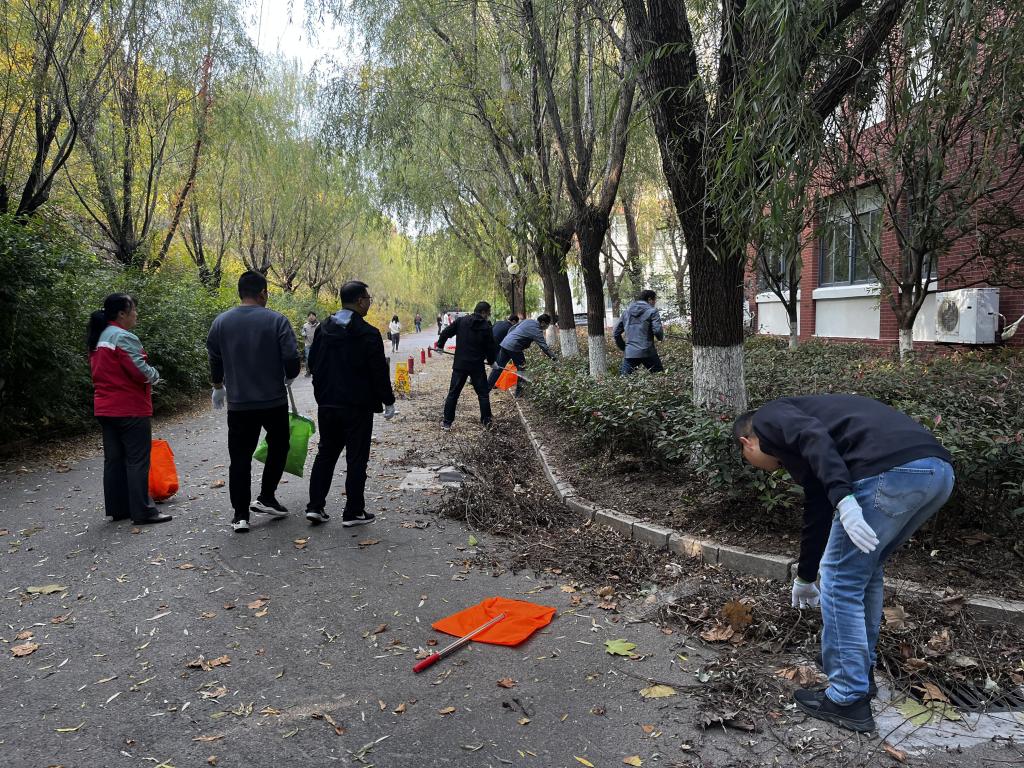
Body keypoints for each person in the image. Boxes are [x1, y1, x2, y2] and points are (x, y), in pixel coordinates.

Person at [734, 394, 955, 734]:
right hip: (936, 473)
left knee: (840, 580)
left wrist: (845, 499)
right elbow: (818, 509)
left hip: (889, 472)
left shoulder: (768, 416)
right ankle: (859, 673)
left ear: (747, 442)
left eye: (750, 459)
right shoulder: (815, 448)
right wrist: (806, 576)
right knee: (865, 572)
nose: (765, 466)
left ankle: (848, 698)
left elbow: (812, 436)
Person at [207, 271, 301, 533]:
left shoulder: (221, 322)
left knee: (239, 457)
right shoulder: (277, 320)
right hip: (273, 402)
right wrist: (289, 375)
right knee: (279, 447)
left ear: (240, 293)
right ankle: (267, 496)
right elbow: (292, 359)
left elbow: (214, 358)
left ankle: (240, 515)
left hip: (239, 404)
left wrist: (218, 386)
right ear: (263, 293)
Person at [305, 281, 396, 526]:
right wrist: (388, 401)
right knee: (356, 458)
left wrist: (322, 391)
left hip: (328, 404)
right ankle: (353, 511)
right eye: (368, 298)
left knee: (326, 453)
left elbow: (312, 364)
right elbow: (378, 371)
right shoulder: (368, 333)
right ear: (359, 301)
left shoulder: (323, 329)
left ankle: (315, 507)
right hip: (358, 406)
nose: (369, 302)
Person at [87, 294, 172, 525]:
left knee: (114, 460)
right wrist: (155, 375)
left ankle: (119, 508)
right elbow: (139, 370)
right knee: (137, 460)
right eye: (133, 309)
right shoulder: (123, 337)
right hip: (129, 407)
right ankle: (143, 511)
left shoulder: (99, 336)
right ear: (122, 313)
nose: (136, 314)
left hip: (105, 407)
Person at [436, 301, 497, 430]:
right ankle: (486, 421)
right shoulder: (486, 326)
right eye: (488, 312)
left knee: (453, 393)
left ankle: (447, 423)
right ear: (483, 312)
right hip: (477, 366)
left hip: (460, 364)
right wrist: (492, 362)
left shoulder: (461, 321)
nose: (489, 315)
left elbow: (445, 332)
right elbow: (490, 347)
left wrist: (440, 345)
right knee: (483, 394)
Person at [486, 313, 556, 396]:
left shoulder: (528, 321)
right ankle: (519, 393)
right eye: (547, 324)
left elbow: (512, 328)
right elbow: (544, 347)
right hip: (514, 347)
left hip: (505, 343)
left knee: (498, 367)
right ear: (543, 323)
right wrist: (554, 358)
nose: (547, 327)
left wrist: (509, 337)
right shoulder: (537, 331)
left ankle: (486, 389)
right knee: (522, 368)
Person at [613, 289, 664, 374]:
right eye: (654, 300)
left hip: (630, 353)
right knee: (660, 376)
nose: (655, 303)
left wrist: (625, 348)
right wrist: (660, 338)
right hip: (648, 351)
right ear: (649, 299)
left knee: (624, 379)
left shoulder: (626, 312)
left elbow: (616, 333)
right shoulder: (653, 311)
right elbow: (657, 330)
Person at [301, 312, 319, 376]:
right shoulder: (305, 325)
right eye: (310, 316)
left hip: (317, 345)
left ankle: (317, 371)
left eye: (313, 315)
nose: (311, 317)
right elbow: (302, 332)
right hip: (308, 344)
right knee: (308, 358)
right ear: (308, 317)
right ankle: (308, 372)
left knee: (317, 358)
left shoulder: (319, 325)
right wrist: (304, 333)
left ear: (315, 316)